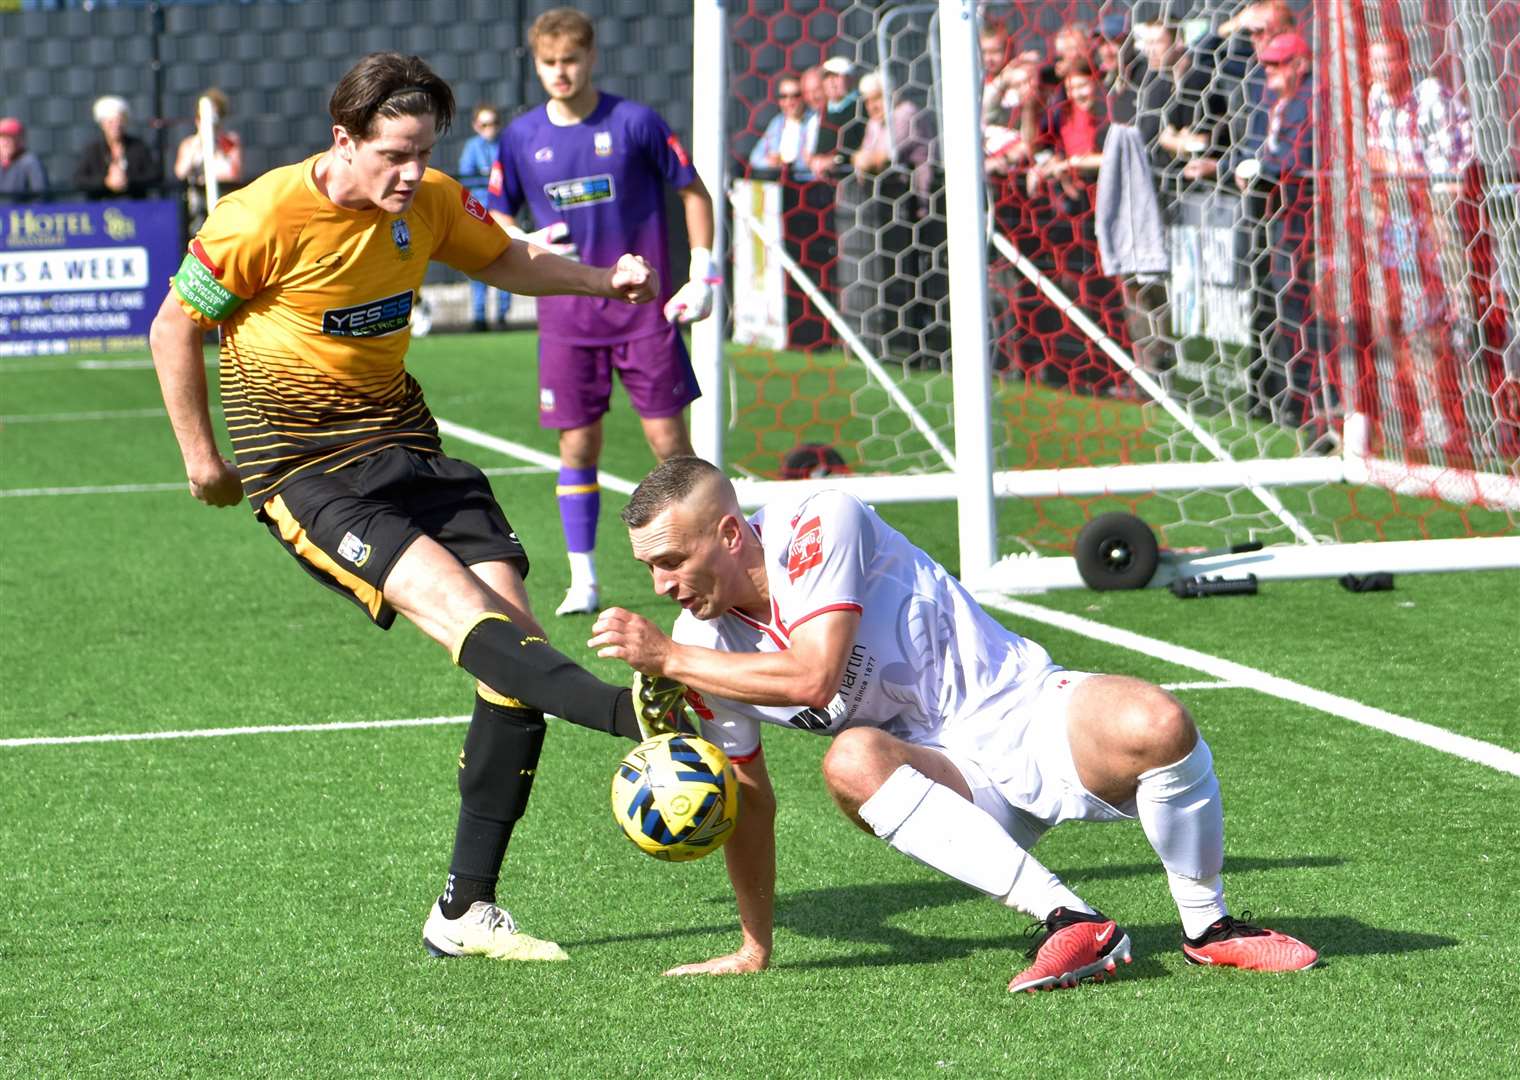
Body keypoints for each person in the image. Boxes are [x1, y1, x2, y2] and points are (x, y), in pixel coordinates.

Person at [147, 51, 684, 965]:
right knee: (471, 619)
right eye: (395, 152)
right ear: (343, 139)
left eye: (425, 151)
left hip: (408, 447)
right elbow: (174, 325)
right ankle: (636, 719)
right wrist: (203, 459)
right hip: (305, 470)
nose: (413, 173)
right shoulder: (261, 215)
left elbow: (507, 258)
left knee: (514, 655)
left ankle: (463, 913)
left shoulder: (429, 198)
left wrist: (606, 282)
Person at [589, 456, 1318, 989]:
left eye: (674, 560)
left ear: (730, 532)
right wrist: (754, 945)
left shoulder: (817, 521)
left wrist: (667, 656)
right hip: (949, 780)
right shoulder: (703, 652)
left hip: (1022, 706)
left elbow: (814, 672)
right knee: (851, 760)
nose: (662, 586)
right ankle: (1070, 922)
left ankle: (1209, 926)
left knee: (1158, 720)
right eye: (650, 569)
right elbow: (748, 796)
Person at [487, 7, 717, 618]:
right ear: (536, 65)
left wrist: (704, 269)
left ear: (591, 59)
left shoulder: (635, 122)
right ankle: (582, 579)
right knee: (578, 446)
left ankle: (707, 563)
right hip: (567, 318)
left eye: (570, 60)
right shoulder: (521, 137)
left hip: (644, 312)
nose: (560, 73)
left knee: (670, 443)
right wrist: (529, 239)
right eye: (548, 63)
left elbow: (693, 190)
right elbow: (496, 215)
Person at [458, 103, 511, 330]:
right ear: (476, 126)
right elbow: (466, 179)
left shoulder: (505, 145)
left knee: (506, 260)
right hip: (479, 214)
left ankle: (502, 315)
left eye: (494, 123)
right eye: (484, 124)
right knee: (478, 262)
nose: (490, 128)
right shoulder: (471, 148)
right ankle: (479, 316)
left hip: (502, 213)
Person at [173, 88, 244, 238]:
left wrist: (217, 143)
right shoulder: (189, 144)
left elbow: (233, 173)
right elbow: (181, 172)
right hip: (196, 207)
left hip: (224, 202)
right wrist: (200, 140)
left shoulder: (230, 142)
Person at [73, 95, 160, 199]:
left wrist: (128, 180)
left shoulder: (138, 146)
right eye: (110, 122)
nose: (116, 126)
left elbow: (154, 174)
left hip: (135, 207)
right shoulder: (92, 149)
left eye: (119, 121)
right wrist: (105, 182)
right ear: (102, 124)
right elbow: (79, 179)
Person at [807, 56, 868, 181]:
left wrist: (836, 160)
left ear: (851, 79)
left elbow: (864, 146)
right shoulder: (822, 112)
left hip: (853, 180)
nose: (831, 82)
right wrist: (815, 161)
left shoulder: (862, 107)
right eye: (827, 77)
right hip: (825, 181)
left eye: (837, 76)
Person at [748, 75, 816, 181]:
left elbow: (811, 162)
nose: (789, 102)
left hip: (804, 182)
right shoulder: (777, 123)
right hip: (778, 183)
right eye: (783, 96)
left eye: (795, 95)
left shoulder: (814, 121)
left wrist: (788, 165)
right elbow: (755, 158)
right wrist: (771, 162)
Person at [0, 117, 49, 200]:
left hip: (21, 212)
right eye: (2, 137)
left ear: (21, 140)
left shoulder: (30, 162)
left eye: (11, 137)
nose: (6, 142)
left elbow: (40, 198)